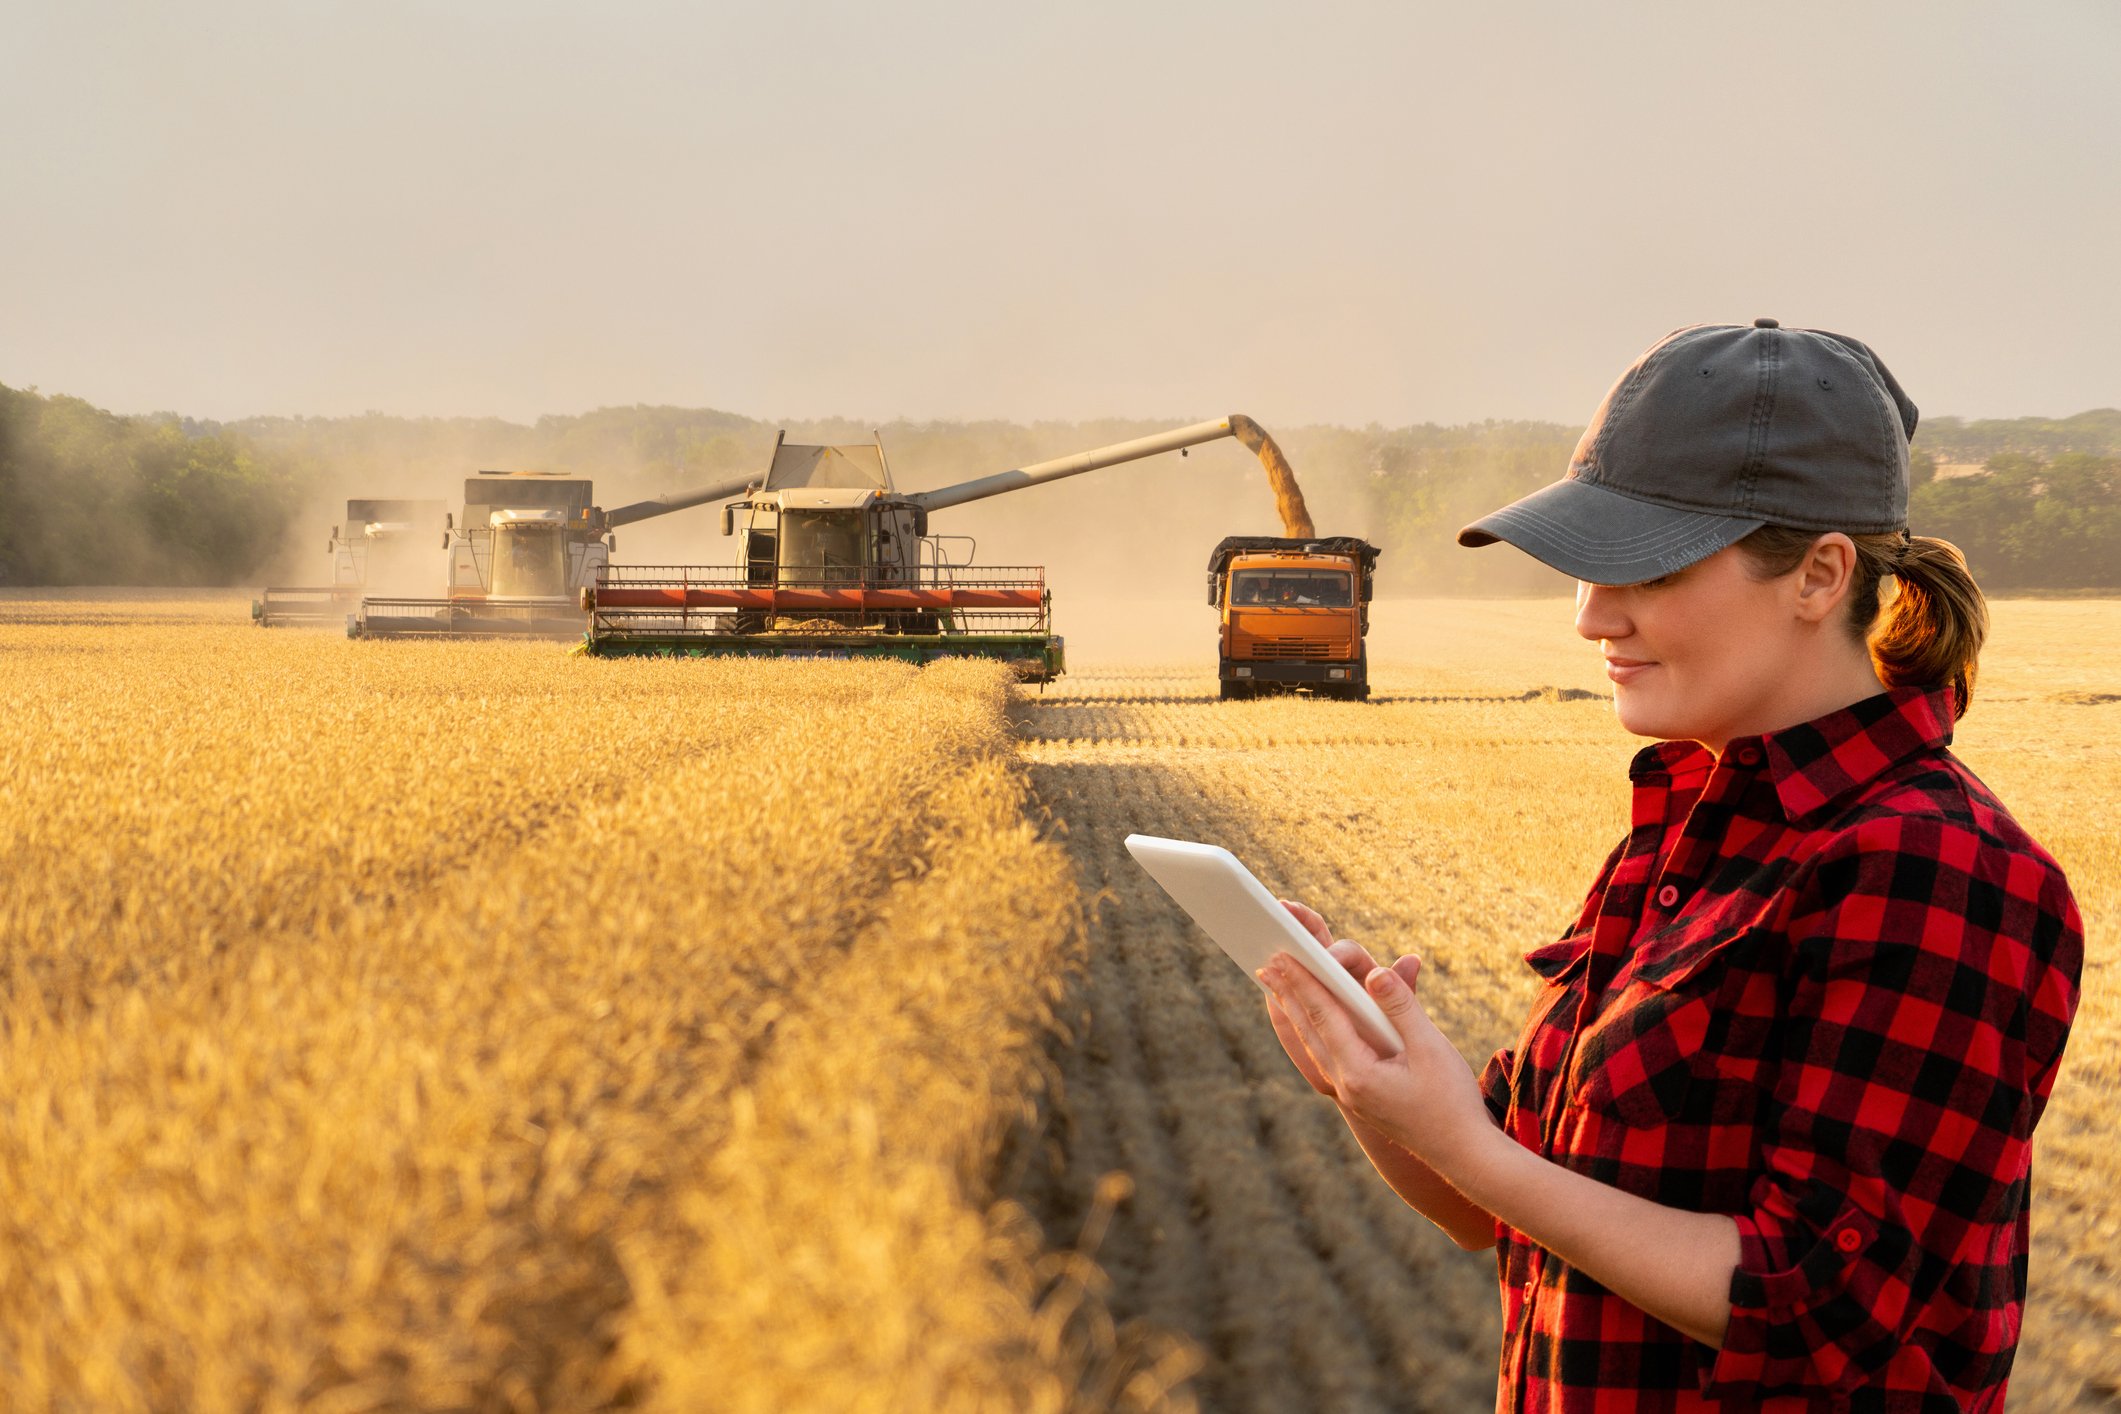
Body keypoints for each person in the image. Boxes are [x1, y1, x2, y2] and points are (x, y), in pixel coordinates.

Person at [1258, 320, 2083, 1410]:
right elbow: (1497, 1199)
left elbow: (1819, 1307)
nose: (1592, 615)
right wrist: (1372, 1086)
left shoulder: (1937, 866)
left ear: (1819, 575)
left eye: (1644, 564)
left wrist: (1472, 1145)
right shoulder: (1693, 829)